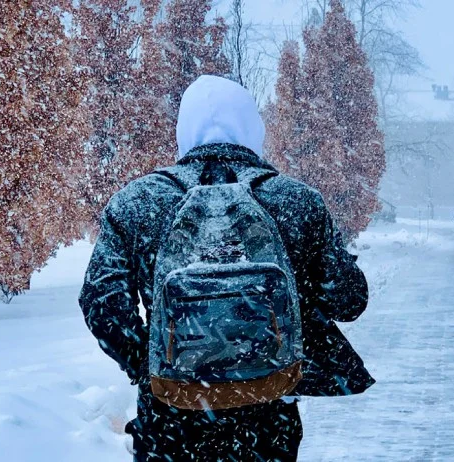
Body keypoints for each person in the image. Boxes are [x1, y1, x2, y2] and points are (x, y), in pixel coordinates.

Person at [79, 75, 374, 462]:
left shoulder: (137, 203)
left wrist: (153, 365)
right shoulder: (298, 202)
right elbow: (350, 300)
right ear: (252, 128)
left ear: (184, 130)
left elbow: (101, 305)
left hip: (170, 423)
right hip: (267, 418)